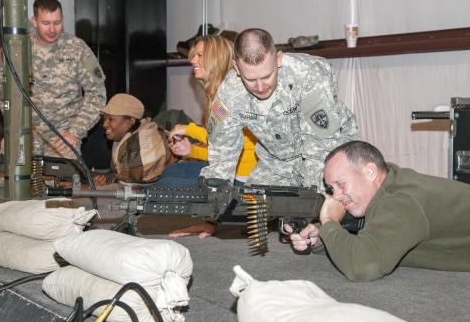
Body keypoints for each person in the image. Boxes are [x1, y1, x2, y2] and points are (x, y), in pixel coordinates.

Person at [200, 28, 359, 190]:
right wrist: (214, 192)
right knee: (253, 204)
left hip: (334, 153)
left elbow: (322, 147)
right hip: (277, 162)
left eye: (267, 76)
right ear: (236, 68)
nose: (260, 87)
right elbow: (221, 150)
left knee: (329, 203)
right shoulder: (230, 92)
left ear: (279, 59)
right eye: (251, 79)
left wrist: (323, 194)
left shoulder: (308, 75)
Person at [288, 140, 470, 282]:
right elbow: (369, 239)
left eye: (340, 184)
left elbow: (363, 266)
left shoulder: (401, 202)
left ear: (370, 172)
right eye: (331, 187)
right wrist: (322, 238)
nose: (336, 196)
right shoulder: (390, 183)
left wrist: (329, 222)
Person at [163, 35, 259, 239]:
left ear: (217, 58)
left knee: (169, 184)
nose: (192, 60)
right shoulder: (216, 92)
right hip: (233, 170)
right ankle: (215, 219)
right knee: (175, 171)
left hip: (247, 180)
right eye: (193, 55)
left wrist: (187, 129)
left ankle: (239, 215)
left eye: (199, 55)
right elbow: (224, 149)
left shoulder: (234, 93)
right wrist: (193, 151)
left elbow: (229, 139)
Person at [0, 0, 106, 159]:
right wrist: (16, 124)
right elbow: (0, 92)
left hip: (62, 137)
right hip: (25, 133)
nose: (52, 29)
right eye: (46, 23)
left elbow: (97, 94)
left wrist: (75, 132)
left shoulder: (77, 48)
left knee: (60, 181)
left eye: (57, 23)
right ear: (34, 21)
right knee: (7, 181)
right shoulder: (16, 48)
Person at [94, 93, 176, 187]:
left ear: (131, 121)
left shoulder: (144, 141)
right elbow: (121, 174)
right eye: (105, 119)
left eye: (111, 119)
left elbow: (136, 182)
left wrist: (107, 183)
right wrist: (105, 181)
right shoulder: (124, 138)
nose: (105, 124)